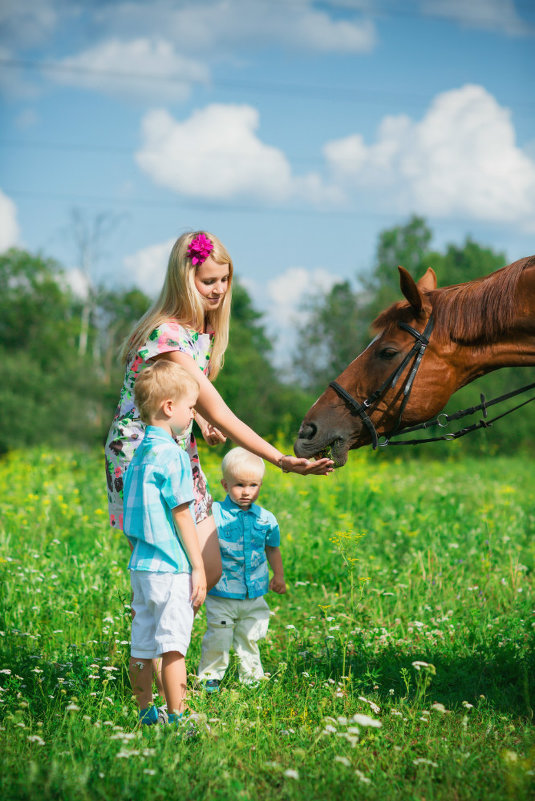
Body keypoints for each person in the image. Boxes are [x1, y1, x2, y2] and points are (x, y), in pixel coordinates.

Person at [105, 229, 332, 593]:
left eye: (225, 279)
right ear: (184, 282)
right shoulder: (167, 336)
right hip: (141, 455)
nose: (219, 289)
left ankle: (157, 638)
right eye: (208, 281)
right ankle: (150, 645)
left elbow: (178, 392)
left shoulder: (203, 332)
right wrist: (280, 460)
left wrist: (198, 418)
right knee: (169, 576)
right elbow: (220, 409)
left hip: (178, 449)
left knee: (208, 570)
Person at [123, 359, 206, 726]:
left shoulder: (137, 456)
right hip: (171, 567)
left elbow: (130, 517)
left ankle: (144, 713)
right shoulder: (173, 454)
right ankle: (178, 717)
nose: (192, 416)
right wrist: (199, 566)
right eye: (191, 408)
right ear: (169, 407)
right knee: (173, 645)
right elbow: (182, 514)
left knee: (141, 645)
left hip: (141, 566)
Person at [197, 447, 286, 689]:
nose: (246, 492)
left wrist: (278, 575)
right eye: (239, 485)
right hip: (221, 591)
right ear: (225, 485)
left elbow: (272, 549)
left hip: (254, 592)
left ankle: (251, 678)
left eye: (253, 485)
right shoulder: (213, 513)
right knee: (219, 635)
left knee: (250, 636)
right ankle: (209, 678)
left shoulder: (266, 519)